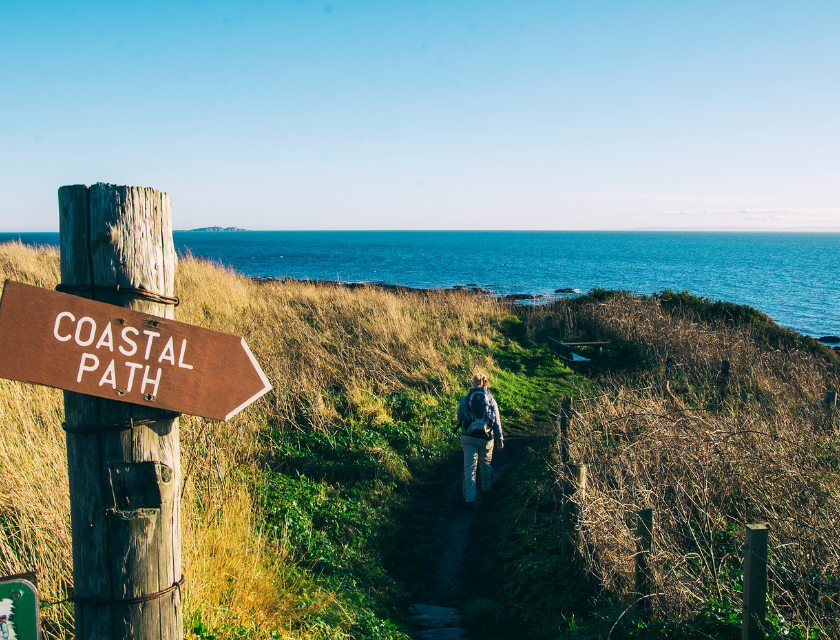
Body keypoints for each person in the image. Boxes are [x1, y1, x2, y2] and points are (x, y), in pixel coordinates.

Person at [457, 372, 504, 507]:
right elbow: (496, 422)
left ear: (472, 383)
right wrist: (499, 440)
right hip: (486, 438)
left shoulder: (466, 399)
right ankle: (486, 490)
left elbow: (459, 417)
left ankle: (469, 498)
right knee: (485, 465)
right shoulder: (491, 399)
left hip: (468, 437)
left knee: (469, 467)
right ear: (486, 383)